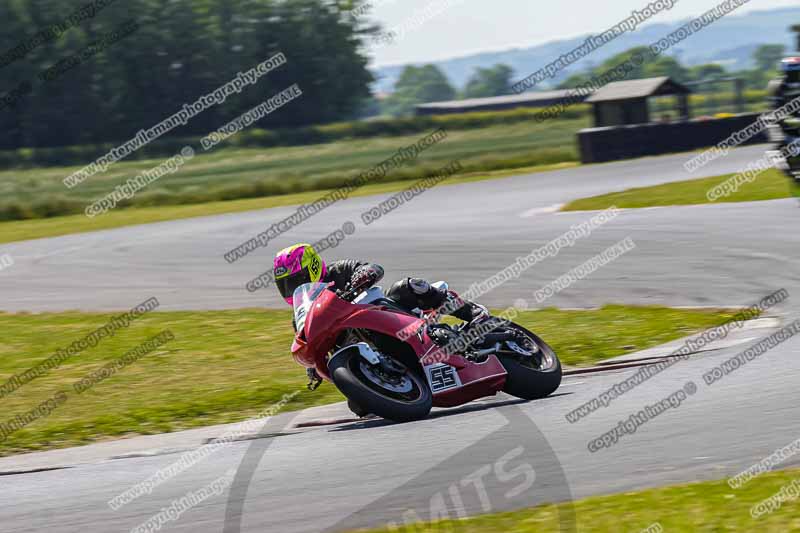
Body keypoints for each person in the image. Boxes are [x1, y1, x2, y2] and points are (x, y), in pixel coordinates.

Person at [273, 243, 486, 322]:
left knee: (408, 286)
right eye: (286, 285)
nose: (292, 289)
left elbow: (374, 268)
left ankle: (470, 311)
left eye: (295, 281)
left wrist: (362, 276)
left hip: (387, 311)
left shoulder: (339, 270)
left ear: (312, 267)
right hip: (360, 336)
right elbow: (306, 339)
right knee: (359, 407)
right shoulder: (304, 311)